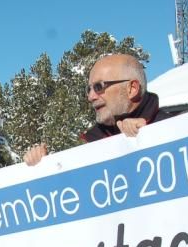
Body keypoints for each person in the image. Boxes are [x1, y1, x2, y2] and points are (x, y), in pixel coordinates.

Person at [24, 53, 165, 166]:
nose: (91, 97)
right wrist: (44, 165)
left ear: (132, 89)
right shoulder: (87, 144)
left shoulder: (172, 127)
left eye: (99, 87)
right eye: (89, 89)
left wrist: (151, 134)